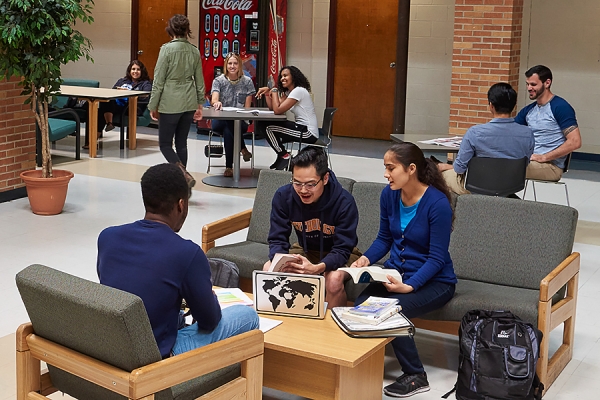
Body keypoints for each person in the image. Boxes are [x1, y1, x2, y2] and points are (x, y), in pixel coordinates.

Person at [97, 163, 259, 359]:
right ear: (181, 205)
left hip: (117, 347)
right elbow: (210, 321)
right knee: (247, 317)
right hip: (156, 357)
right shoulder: (187, 253)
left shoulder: (107, 237)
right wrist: (210, 297)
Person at [351, 143, 457, 398]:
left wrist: (410, 286)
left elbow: (436, 258)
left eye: (390, 168)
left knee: (389, 311)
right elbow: (384, 238)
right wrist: (365, 259)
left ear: (411, 169)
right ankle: (364, 362)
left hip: (435, 281)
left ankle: (416, 375)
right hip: (396, 274)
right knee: (362, 303)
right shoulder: (389, 195)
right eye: (385, 168)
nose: (386, 174)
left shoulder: (437, 203)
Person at [263, 146, 360, 308]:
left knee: (333, 280)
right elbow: (277, 238)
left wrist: (318, 268)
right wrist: (279, 261)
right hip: (305, 250)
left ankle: (332, 332)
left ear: (325, 178)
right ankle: (285, 325)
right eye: (297, 183)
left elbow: (343, 249)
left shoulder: (344, 202)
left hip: (341, 253)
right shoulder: (283, 196)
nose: (303, 190)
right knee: (269, 269)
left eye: (310, 184)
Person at [438, 83, 534, 194]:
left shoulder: (474, 133)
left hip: (477, 187)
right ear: (514, 105)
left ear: (491, 105)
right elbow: (525, 164)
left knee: (440, 175)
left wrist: (444, 166)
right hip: (512, 186)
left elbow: (459, 169)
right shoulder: (528, 133)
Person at [148, 14, 205, 192]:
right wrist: (200, 103)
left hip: (170, 102)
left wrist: (152, 105)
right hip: (189, 101)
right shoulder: (194, 51)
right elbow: (200, 80)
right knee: (181, 143)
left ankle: (183, 175)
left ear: (170, 29)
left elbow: (158, 80)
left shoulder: (166, 50)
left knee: (165, 144)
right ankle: (183, 186)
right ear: (187, 30)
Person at [515, 65, 582, 181]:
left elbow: (575, 142)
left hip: (551, 166)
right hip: (531, 161)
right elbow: (510, 131)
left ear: (547, 83)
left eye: (533, 84)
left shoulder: (560, 107)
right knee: (486, 167)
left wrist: (544, 157)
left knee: (504, 169)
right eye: (527, 84)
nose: (529, 88)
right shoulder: (529, 110)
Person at [255, 66, 319, 171]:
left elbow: (278, 110)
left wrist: (274, 90)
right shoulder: (290, 92)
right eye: (281, 76)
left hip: (308, 133)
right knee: (263, 124)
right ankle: (282, 155)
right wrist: (268, 93)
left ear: (293, 77)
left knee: (268, 128)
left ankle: (284, 156)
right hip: (301, 128)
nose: (282, 78)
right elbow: (274, 107)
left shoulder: (298, 91)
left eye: (285, 76)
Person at [210, 53, 255, 177]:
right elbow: (214, 99)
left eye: (235, 63)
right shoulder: (218, 81)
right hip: (219, 120)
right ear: (226, 65)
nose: (232, 66)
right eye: (230, 63)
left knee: (228, 128)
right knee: (228, 123)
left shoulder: (247, 81)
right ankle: (243, 148)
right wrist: (216, 102)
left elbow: (247, 107)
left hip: (240, 123)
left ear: (239, 65)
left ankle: (229, 167)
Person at [91, 60, 152, 149]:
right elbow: (112, 91)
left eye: (138, 69)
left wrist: (129, 92)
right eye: (133, 69)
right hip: (117, 105)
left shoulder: (145, 83)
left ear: (142, 71)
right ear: (129, 70)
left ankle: (107, 125)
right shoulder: (122, 80)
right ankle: (94, 140)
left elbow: (146, 94)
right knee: (103, 105)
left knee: (103, 109)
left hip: (131, 107)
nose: (135, 71)